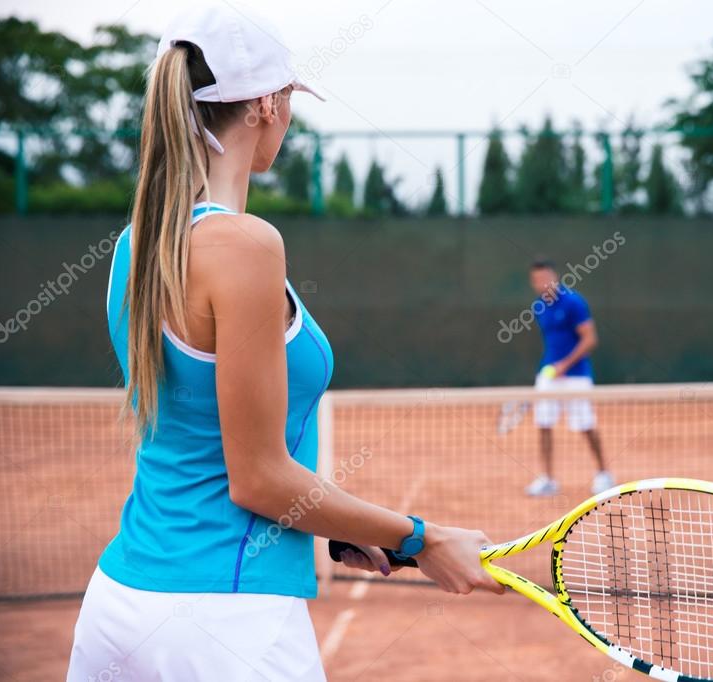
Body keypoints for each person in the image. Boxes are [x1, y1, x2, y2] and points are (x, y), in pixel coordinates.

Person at [66, 6, 501, 681]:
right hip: (226, 623)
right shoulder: (245, 245)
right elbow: (258, 478)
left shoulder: (135, 244)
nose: (290, 116)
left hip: (118, 607)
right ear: (265, 105)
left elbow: (212, 446)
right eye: (291, 98)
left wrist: (337, 525)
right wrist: (425, 537)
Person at [524, 258, 614, 497]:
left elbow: (589, 339)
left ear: (555, 277)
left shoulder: (574, 302)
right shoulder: (538, 306)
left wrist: (565, 364)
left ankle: (604, 473)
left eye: (546, 278)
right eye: (537, 280)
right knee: (543, 425)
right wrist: (551, 368)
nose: (542, 283)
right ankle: (548, 479)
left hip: (576, 376)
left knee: (586, 426)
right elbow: (553, 343)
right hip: (549, 375)